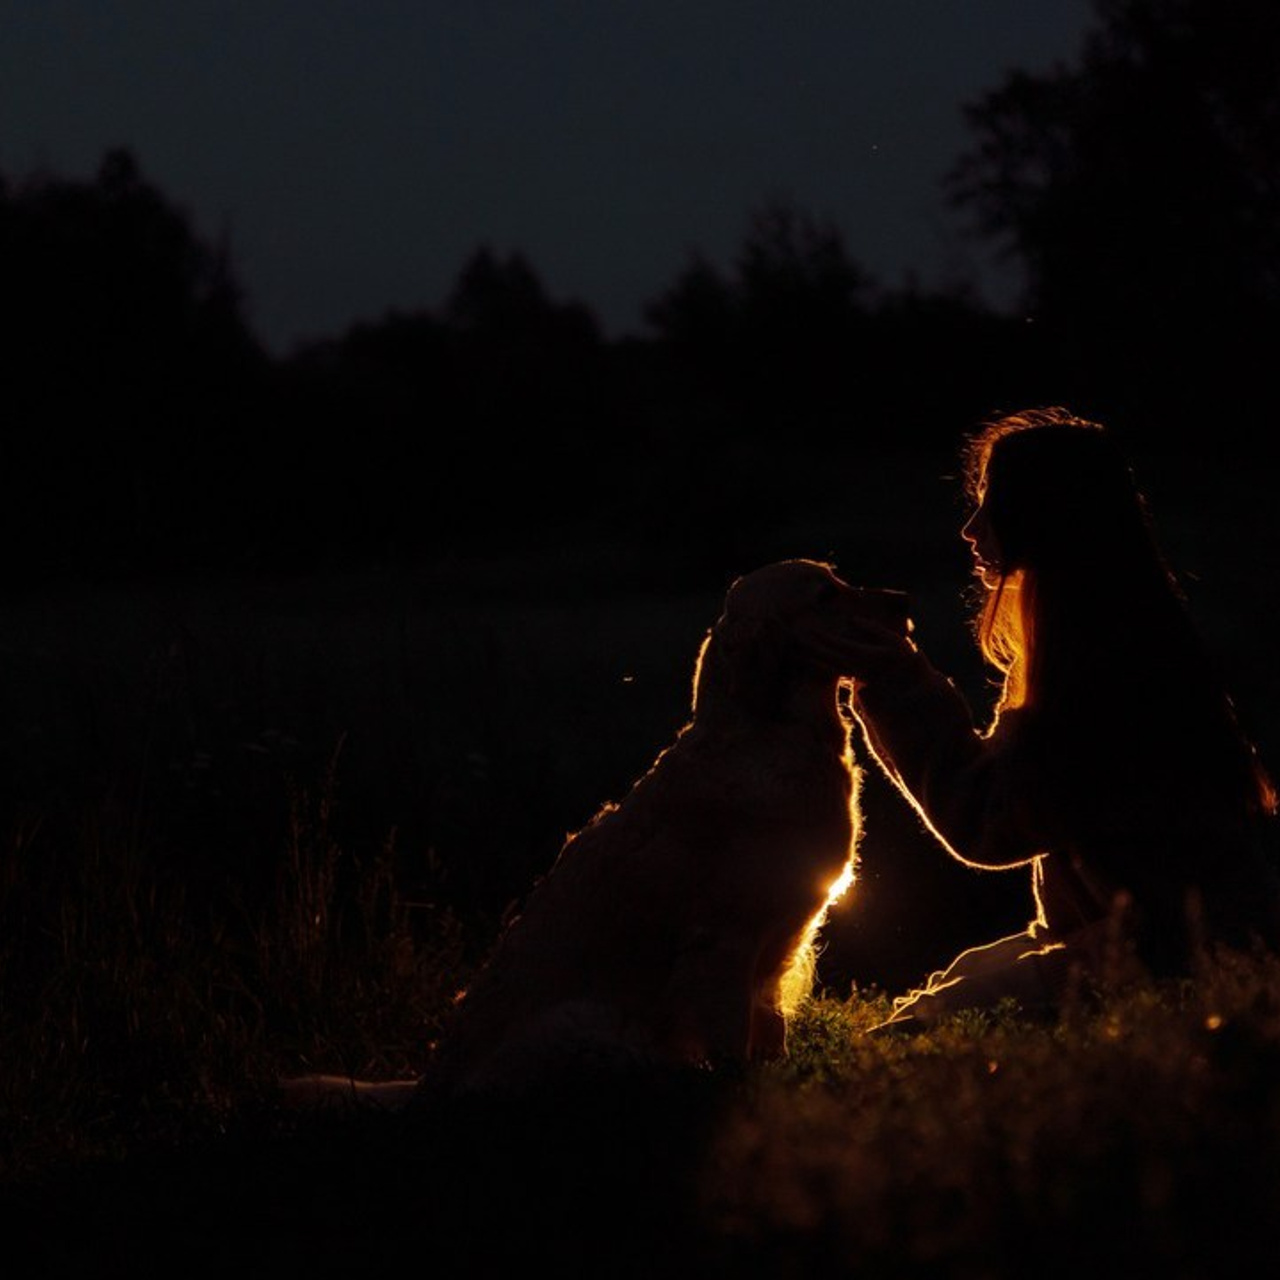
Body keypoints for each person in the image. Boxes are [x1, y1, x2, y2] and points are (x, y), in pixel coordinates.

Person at [844, 407, 1280, 1026]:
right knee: (953, 984)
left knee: (925, 1025)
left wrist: (890, 677)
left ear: (1043, 514)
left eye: (991, 503)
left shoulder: (1107, 672)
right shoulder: (1103, 640)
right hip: (1153, 937)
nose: (971, 529)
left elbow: (987, 823)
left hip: (1175, 955)